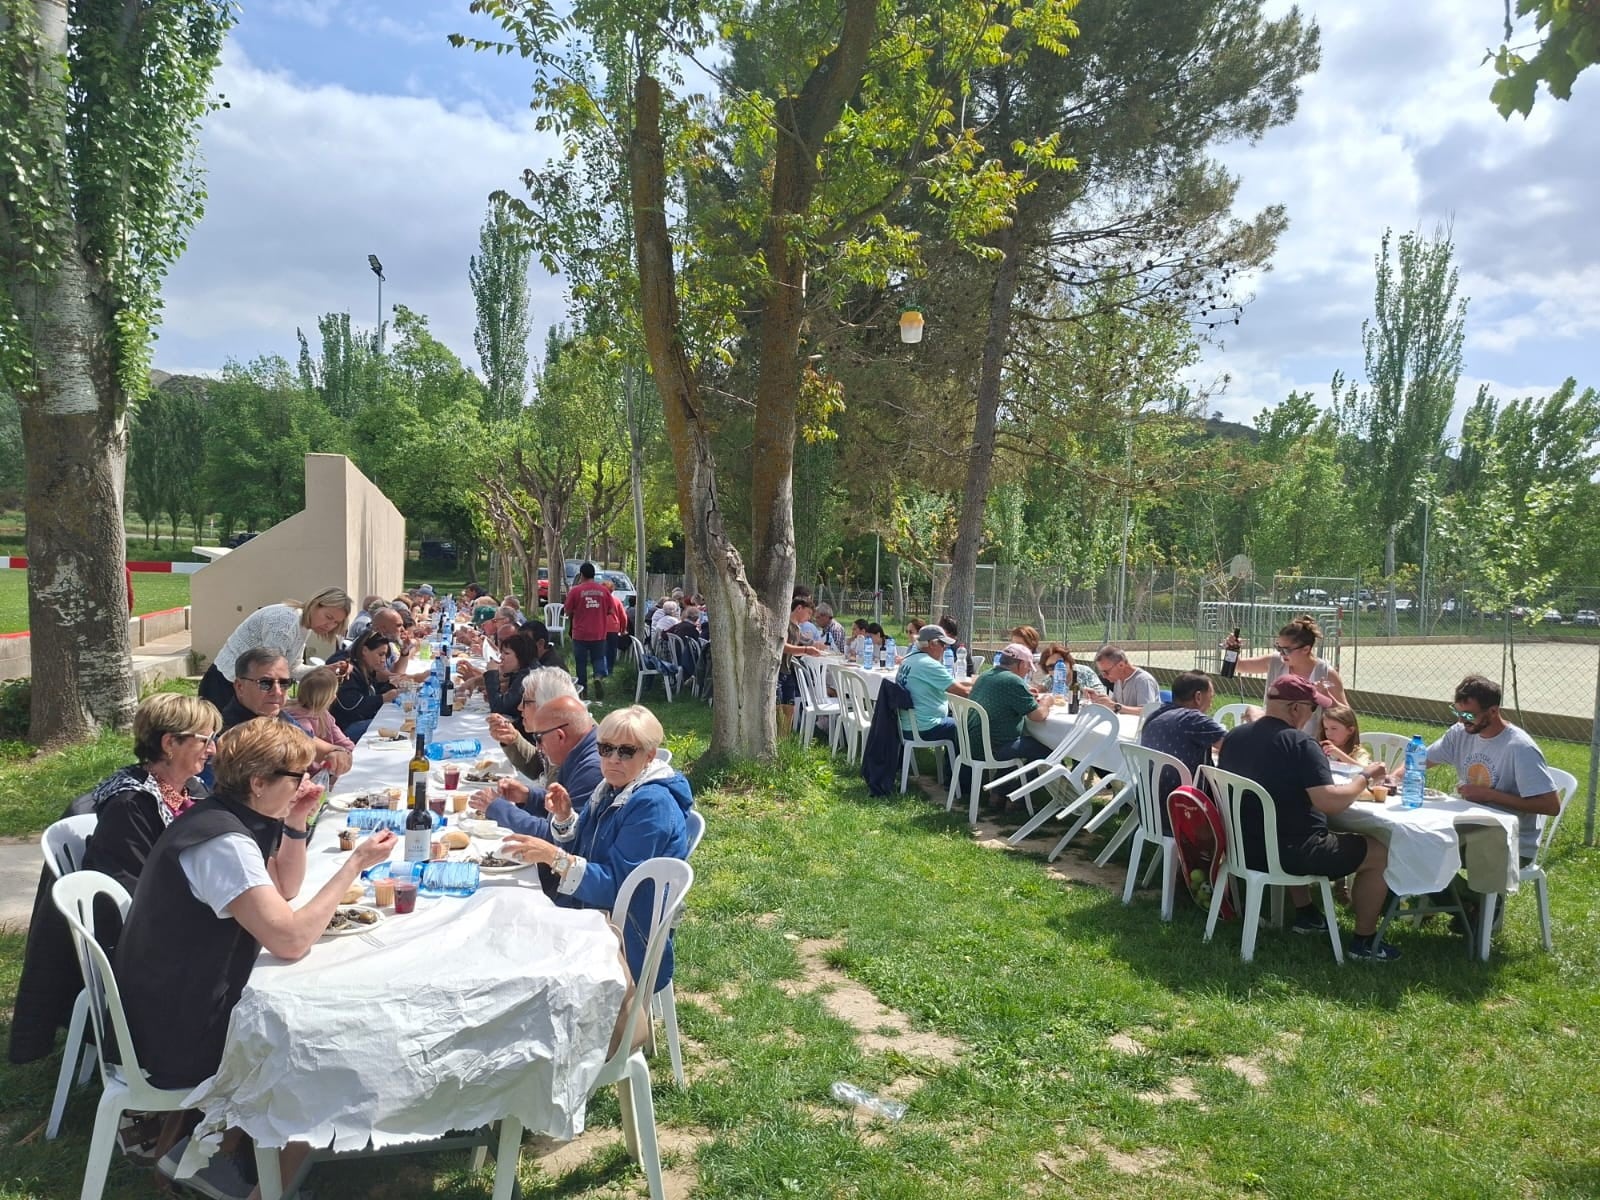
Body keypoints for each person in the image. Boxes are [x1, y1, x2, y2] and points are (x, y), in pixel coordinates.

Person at [114, 720, 396, 1194]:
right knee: (321, 1053)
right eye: (298, 776)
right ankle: (260, 1188)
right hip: (176, 1030)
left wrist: (296, 820)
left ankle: (213, 1155)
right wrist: (354, 865)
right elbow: (289, 939)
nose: (309, 783)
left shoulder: (224, 814)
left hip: (169, 999)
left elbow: (284, 889)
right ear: (258, 782)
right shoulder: (223, 843)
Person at [500, 706, 693, 992]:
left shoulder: (651, 805)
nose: (613, 759)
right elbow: (585, 849)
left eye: (626, 751)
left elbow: (616, 888)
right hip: (594, 915)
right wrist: (565, 817)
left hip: (627, 941)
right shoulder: (613, 787)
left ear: (649, 756)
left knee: (509, 940)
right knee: (506, 914)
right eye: (605, 749)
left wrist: (554, 857)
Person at [1216, 675, 1396, 960]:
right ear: (1297, 709)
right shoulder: (1300, 744)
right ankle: (1365, 942)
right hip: (1290, 854)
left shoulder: (1235, 737)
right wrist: (1365, 777)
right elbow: (1330, 803)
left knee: (1295, 825)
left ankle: (1307, 914)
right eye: (1314, 710)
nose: (1315, 717)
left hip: (1242, 849)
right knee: (1380, 853)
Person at [81, 694, 221, 905]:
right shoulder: (130, 805)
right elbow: (135, 887)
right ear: (170, 743)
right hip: (151, 922)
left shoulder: (194, 789)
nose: (212, 750)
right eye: (205, 740)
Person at [1426, 674, 1559, 866]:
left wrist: (1489, 795)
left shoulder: (1520, 748)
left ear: (1493, 711)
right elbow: (1421, 759)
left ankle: (1471, 896)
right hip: (1471, 828)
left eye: (1469, 715)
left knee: (1430, 849)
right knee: (1417, 841)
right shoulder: (1459, 733)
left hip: (1512, 842)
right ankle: (1464, 896)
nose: (1462, 720)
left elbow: (1551, 806)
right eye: (1457, 712)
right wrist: (1393, 778)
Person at [198, 588, 354, 711]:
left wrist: (325, 670)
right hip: (224, 684)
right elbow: (271, 672)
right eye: (328, 617)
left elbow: (293, 668)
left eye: (335, 622)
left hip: (247, 686)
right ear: (316, 604)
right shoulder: (285, 621)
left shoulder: (303, 626)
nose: (330, 625)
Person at [476, 694, 603, 828]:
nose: (538, 746)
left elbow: (562, 836)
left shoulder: (591, 769)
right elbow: (563, 809)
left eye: (538, 738)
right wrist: (528, 796)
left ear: (560, 736)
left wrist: (498, 809)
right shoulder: (578, 752)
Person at [221, 649, 352, 778]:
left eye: (284, 683)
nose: (277, 691)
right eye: (265, 683)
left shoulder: (278, 716)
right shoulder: (228, 735)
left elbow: (317, 747)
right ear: (240, 686)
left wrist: (338, 753)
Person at [1232, 614, 1347, 737]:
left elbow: (1346, 715)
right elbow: (1239, 666)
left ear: (1306, 649)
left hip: (1308, 742)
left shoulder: (1326, 673)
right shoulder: (1275, 662)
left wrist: (1327, 698)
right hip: (1274, 738)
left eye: (1286, 650)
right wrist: (1232, 649)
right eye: (1278, 648)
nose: (1281, 653)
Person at [1139, 672, 1225, 804]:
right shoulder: (1195, 719)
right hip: (1186, 812)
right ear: (1198, 697)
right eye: (1211, 697)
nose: (1211, 704)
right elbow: (1233, 746)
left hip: (1149, 808)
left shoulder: (1153, 717)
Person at [965, 641, 1055, 764]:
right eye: (1029, 666)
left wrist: (1025, 693)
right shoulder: (1013, 681)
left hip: (971, 743)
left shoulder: (986, 675)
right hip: (994, 747)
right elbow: (1037, 716)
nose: (1028, 670)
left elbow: (1003, 696)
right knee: (1049, 749)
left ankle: (1008, 781)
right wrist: (1046, 702)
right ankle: (1024, 782)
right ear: (1022, 664)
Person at [896, 624, 974, 750]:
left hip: (906, 725)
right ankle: (958, 769)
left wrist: (975, 683)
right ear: (932, 644)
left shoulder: (908, 659)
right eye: (943, 645)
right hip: (925, 727)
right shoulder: (929, 665)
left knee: (958, 724)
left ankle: (954, 764)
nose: (945, 649)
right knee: (967, 727)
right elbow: (963, 692)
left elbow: (951, 683)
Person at [282, 666, 357, 773]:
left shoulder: (324, 715)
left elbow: (341, 740)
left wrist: (351, 752)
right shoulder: (302, 723)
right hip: (311, 776)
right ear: (330, 698)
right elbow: (307, 759)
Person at [327, 630, 400, 738]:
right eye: (380, 654)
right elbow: (352, 706)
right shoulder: (349, 671)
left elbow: (371, 694)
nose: (383, 660)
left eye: (385, 656)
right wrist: (383, 698)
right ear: (365, 650)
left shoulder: (366, 670)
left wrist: (391, 686)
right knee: (391, 725)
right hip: (345, 728)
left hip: (358, 722)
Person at [566, 561, 612, 699]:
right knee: (598, 658)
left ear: (582, 575)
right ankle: (598, 676)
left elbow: (567, 611)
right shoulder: (604, 591)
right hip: (599, 632)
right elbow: (610, 610)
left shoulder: (575, 591)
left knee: (581, 662)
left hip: (580, 633)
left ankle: (583, 690)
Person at [780, 597, 824, 727]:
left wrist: (810, 651)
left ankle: (784, 739)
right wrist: (805, 649)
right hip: (778, 671)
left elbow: (793, 651)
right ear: (799, 608)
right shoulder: (785, 624)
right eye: (809, 613)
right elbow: (783, 647)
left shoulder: (798, 629)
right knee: (778, 708)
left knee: (789, 708)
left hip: (788, 671)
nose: (809, 617)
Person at [1087, 645, 1160, 716]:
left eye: (1106, 672)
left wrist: (1115, 706)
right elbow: (1114, 705)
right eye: (1101, 672)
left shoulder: (1143, 680)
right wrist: (1099, 700)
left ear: (1121, 665)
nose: (1103, 676)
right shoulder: (1118, 680)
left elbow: (1147, 712)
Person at [1037, 642, 1103, 695]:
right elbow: (1037, 691)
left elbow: (1101, 694)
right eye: (1051, 667)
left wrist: (1092, 695)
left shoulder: (1085, 672)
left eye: (1060, 663)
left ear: (1069, 661)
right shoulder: (1050, 679)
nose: (1057, 669)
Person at [602, 577, 630, 668]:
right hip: (614, 628)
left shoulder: (599, 601)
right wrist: (623, 629)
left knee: (600, 649)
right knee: (612, 649)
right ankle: (609, 668)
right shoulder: (617, 601)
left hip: (600, 628)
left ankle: (601, 668)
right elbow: (623, 617)